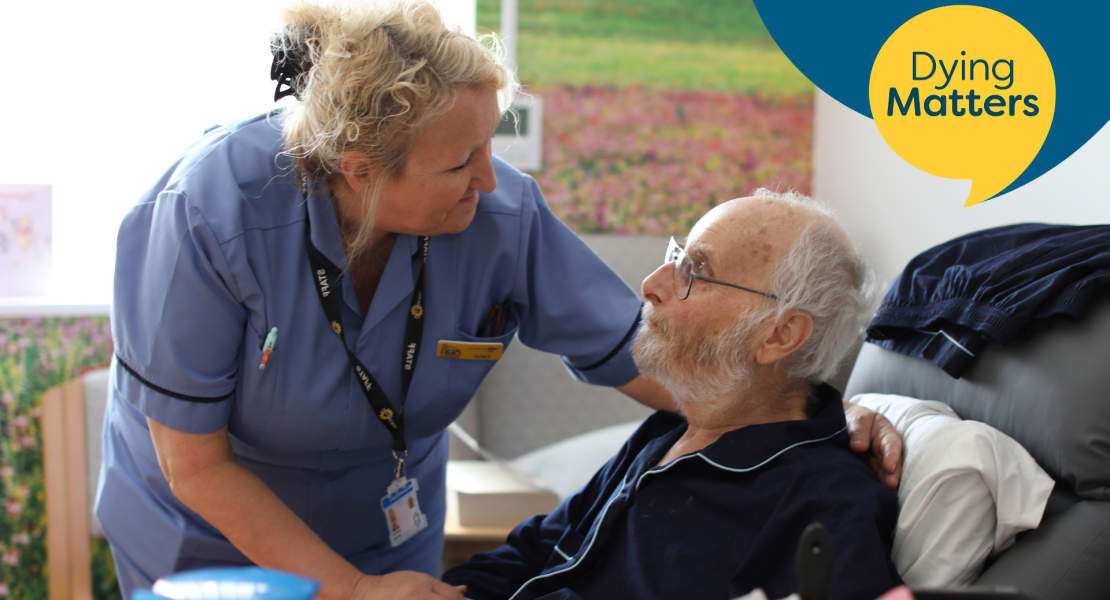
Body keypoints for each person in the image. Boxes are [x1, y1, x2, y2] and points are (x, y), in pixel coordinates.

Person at [98, 3, 902, 600]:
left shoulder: (499, 213)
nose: (488, 179)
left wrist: (816, 413)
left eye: (492, 144)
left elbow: (646, 351)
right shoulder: (208, 214)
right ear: (360, 171)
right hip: (216, 536)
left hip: (386, 534)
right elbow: (192, 462)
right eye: (459, 162)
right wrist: (347, 590)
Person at [442, 192, 903, 600]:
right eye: (676, 256)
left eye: (695, 271)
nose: (651, 284)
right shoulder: (668, 432)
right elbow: (539, 549)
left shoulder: (822, 510)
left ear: (779, 335)